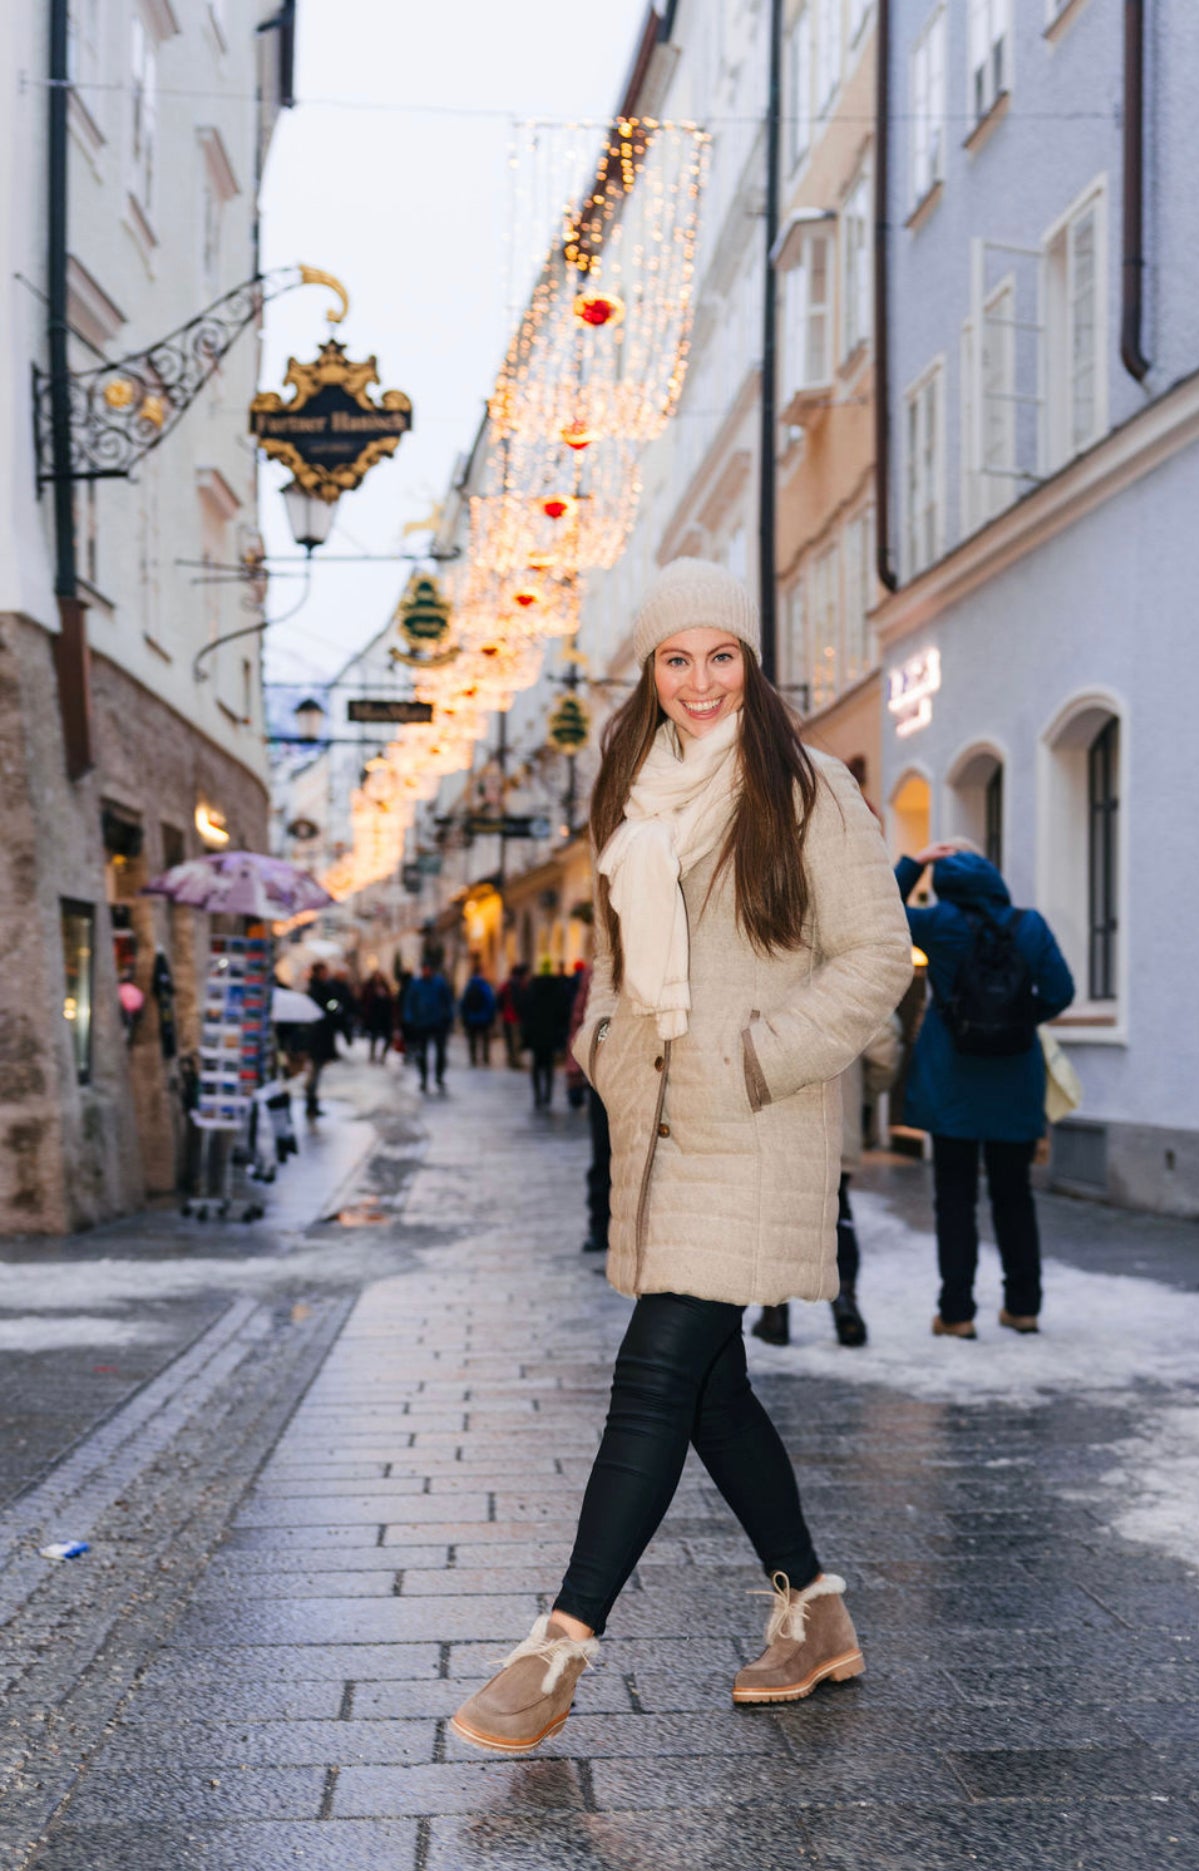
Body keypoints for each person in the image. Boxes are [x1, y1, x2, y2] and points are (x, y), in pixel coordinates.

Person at [450, 557, 912, 1756]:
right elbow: (616, 955)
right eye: (676, 658)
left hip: (756, 1116)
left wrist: (759, 1055)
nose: (702, 681)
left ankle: (561, 1640)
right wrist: (606, 1040)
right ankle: (813, 1610)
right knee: (711, 1386)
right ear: (650, 673)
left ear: (750, 664)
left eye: (722, 655)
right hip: (658, 1124)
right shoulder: (633, 792)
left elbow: (876, 958)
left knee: (657, 1370)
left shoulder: (809, 788)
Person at [895, 841, 1074, 1339]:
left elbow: (878, 906)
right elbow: (1061, 991)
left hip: (952, 1081)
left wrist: (917, 861)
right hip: (1015, 1080)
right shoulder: (1030, 925)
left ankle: (956, 1313)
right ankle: (1023, 1307)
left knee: (954, 1199)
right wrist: (1016, 1021)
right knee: (1014, 1196)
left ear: (946, 885)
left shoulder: (938, 925)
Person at [752, 1009, 901, 1349]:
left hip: (777, 1114)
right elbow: (884, 1047)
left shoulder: (769, 959)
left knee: (777, 1214)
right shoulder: (844, 963)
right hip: (835, 1113)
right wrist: (865, 1094)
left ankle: (776, 1313)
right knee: (836, 1210)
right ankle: (845, 1299)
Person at [567, 960, 610, 1253]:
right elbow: (581, 1021)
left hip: (648, 1079)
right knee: (604, 1156)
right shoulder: (600, 968)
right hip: (603, 1078)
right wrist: (574, 1073)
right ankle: (600, 1227)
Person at [520, 960, 570, 1110]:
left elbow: (526, 1013)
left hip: (536, 1034)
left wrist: (526, 1035)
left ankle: (537, 1096)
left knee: (536, 1065)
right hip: (551, 1033)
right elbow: (563, 1012)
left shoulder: (532, 988)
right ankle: (547, 1095)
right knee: (548, 1065)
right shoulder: (557, 988)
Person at [402, 959, 454, 1094]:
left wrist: (448, 1016)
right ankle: (424, 1079)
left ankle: (439, 1077)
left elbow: (447, 1001)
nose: (426, 971)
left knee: (440, 1052)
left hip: (438, 1023)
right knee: (422, 1053)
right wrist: (409, 1018)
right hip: (421, 1024)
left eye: (428, 969)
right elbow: (410, 1003)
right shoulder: (416, 985)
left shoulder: (439, 983)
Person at [303, 961, 343, 1119]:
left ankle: (312, 1103)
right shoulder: (317, 989)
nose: (327, 974)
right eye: (324, 971)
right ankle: (311, 1103)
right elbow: (328, 1006)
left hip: (320, 1035)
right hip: (318, 1036)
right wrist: (333, 1007)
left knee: (316, 1070)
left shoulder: (321, 988)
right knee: (314, 1071)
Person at [460, 960, 498, 1066]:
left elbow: (463, 1003)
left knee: (472, 1040)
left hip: (471, 1018)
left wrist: (465, 1017)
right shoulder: (485, 986)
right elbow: (490, 1001)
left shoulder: (469, 986)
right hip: (484, 1018)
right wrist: (491, 1016)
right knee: (485, 1040)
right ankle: (485, 1058)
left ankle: (473, 1059)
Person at [497, 963, 529, 1069]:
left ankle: (511, 1059)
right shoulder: (519, 984)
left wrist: (501, 1011)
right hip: (514, 1016)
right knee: (516, 1040)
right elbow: (521, 1001)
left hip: (506, 1015)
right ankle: (516, 1061)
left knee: (509, 1040)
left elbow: (499, 999)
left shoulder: (506, 984)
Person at [361, 970, 395, 1063]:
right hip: (374, 1016)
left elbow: (391, 1000)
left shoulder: (385, 986)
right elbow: (364, 1000)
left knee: (388, 1037)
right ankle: (372, 1055)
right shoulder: (368, 987)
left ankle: (383, 1056)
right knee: (374, 1037)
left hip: (385, 1016)